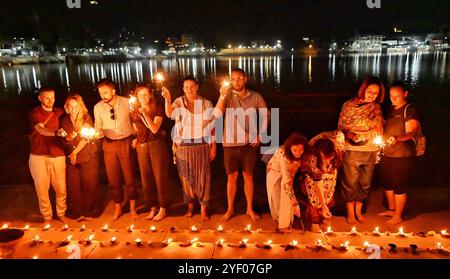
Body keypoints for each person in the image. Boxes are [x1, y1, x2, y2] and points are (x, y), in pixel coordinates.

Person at [216, 68, 270, 221]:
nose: (236, 82)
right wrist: (221, 96)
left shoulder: (255, 97)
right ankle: (230, 209)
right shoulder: (226, 96)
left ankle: (249, 209)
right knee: (231, 178)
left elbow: (266, 114)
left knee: (248, 177)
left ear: (245, 79)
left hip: (248, 145)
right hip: (229, 145)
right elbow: (217, 114)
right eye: (233, 79)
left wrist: (260, 134)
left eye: (239, 78)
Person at [162, 76, 216, 221]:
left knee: (204, 178)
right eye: (186, 87)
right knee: (186, 178)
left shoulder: (206, 103)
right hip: (183, 146)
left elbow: (212, 126)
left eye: (192, 86)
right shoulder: (179, 102)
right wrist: (167, 99)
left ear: (197, 86)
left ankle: (204, 210)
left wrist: (213, 145)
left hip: (202, 144)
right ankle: (190, 208)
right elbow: (169, 114)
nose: (189, 90)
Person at [338, 76, 384, 224]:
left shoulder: (376, 108)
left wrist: (379, 144)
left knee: (365, 183)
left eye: (376, 93)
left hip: (370, 150)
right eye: (370, 91)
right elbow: (342, 127)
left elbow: (379, 127)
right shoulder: (348, 106)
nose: (372, 95)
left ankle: (359, 211)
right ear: (363, 90)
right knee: (350, 183)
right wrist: (351, 134)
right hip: (352, 150)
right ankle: (351, 213)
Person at [94, 78, 137, 220]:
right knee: (113, 179)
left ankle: (132, 207)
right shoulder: (98, 107)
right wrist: (96, 133)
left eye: (105, 92)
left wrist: (137, 137)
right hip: (109, 144)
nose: (103, 96)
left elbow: (135, 121)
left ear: (113, 91)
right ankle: (118, 206)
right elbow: (98, 126)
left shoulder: (126, 103)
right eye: (100, 93)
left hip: (126, 142)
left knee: (129, 177)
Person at [379, 81, 421, 225]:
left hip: (402, 155)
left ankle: (398, 215)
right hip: (387, 153)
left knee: (398, 185)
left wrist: (396, 138)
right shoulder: (391, 109)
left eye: (397, 96)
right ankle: (391, 209)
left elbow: (411, 132)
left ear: (405, 93)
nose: (393, 99)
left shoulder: (409, 109)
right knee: (387, 183)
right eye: (391, 96)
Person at [131, 84, 170, 221]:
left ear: (150, 95)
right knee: (146, 179)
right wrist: (136, 139)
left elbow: (154, 129)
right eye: (140, 95)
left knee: (160, 177)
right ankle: (152, 207)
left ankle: (163, 208)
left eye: (145, 94)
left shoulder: (157, 109)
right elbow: (136, 129)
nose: (143, 97)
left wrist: (145, 114)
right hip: (142, 147)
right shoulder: (134, 111)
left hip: (157, 145)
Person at [28, 87, 68, 222]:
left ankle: (61, 213)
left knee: (61, 188)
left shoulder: (60, 112)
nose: (50, 100)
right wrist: (55, 133)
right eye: (47, 98)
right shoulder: (36, 113)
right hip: (39, 156)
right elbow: (40, 129)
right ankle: (47, 217)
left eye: (53, 97)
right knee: (42, 189)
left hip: (58, 155)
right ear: (40, 98)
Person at [60, 94, 102, 220]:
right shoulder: (64, 120)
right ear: (67, 107)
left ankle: (90, 211)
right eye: (70, 106)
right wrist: (69, 138)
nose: (73, 109)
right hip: (71, 156)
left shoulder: (86, 118)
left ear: (80, 106)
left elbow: (86, 138)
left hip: (86, 154)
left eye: (76, 106)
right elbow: (65, 138)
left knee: (89, 184)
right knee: (73, 185)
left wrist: (74, 153)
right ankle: (77, 212)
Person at [300, 130, 345, 232]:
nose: (327, 160)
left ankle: (325, 218)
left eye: (330, 157)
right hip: (313, 179)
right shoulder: (312, 158)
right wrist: (323, 206)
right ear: (320, 153)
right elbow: (317, 184)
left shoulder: (339, 148)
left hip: (329, 176)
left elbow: (340, 133)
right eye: (324, 157)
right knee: (315, 198)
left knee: (328, 193)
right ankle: (314, 223)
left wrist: (325, 205)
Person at [266, 132, 308, 231]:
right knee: (277, 200)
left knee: (287, 197)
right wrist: (294, 202)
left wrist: (293, 201)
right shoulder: (284, 156)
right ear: (290, 148)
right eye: (295, 150)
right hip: (275, 174)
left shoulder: (303, 155)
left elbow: (290, 177)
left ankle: (284, 225)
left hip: (288, 176)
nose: (298, 153)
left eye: (301, 150)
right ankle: (281, 219)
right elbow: (286, 181)